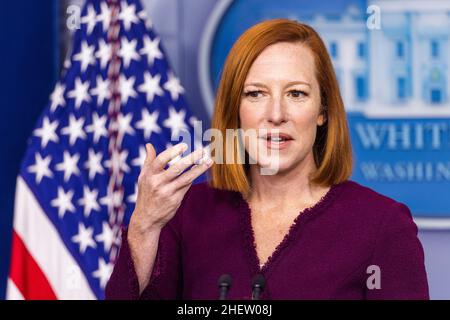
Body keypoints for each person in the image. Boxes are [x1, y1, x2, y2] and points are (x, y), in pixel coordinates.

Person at [105, 19, 429, 299]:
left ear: (322, 112)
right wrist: (144, 225)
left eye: (296, 94)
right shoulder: (187, 213)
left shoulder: (381, 225)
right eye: (256, 93)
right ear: (236, 110)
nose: (276, 115)